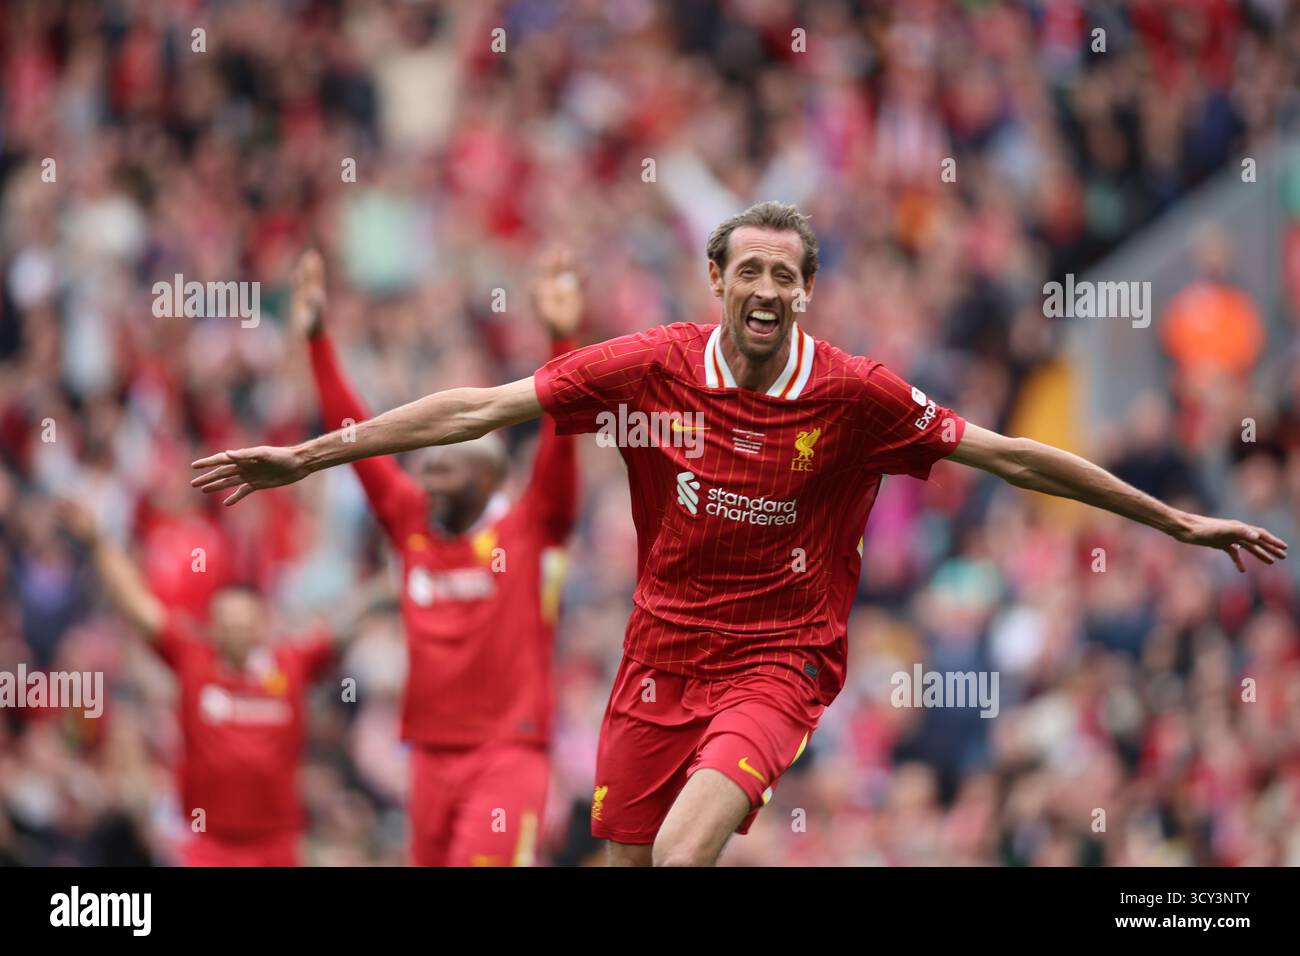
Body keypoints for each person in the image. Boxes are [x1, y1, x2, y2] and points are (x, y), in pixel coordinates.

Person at [191, 201, 1288, 867]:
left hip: (777, 661)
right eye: (748, 270)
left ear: (806, 292)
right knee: (622, 854)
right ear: (717, 282)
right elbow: (478, 406)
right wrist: (310, 454)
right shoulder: (649, 365)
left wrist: (1174, 519)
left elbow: (1009, 452)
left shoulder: (855, 394)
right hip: (656, 657)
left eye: (785, 273)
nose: (765, 287)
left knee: (679, 851)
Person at [288, 249, 580, 866]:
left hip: (506, 758)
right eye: (425, 471)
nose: (428, 482)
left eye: (443, 469)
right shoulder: (412, 524)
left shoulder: (529, 529)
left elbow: (562, 436)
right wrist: (317, 341)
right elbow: (356, 441)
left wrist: (561, 335)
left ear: (487, 478)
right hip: (426, 758)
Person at [62, 501, 349, 867]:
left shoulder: (293, 663)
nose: (234, 629)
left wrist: (397, 573)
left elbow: (344, 625)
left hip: (278, 845)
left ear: (263, 624)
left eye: (244, 621)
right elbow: (136, 606)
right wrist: (98, 541)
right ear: (212, 625)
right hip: (207, 843)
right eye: (226, 621)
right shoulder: (191, 659)